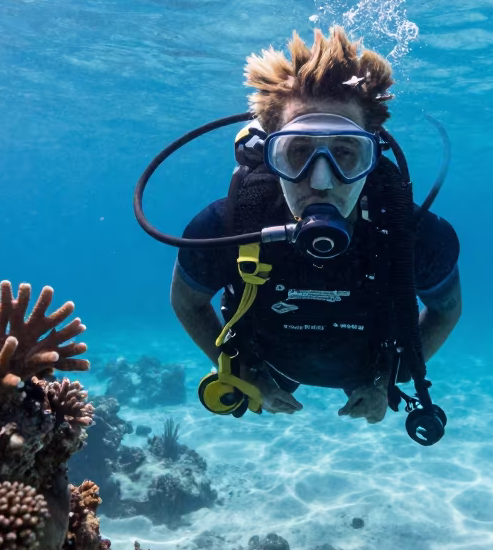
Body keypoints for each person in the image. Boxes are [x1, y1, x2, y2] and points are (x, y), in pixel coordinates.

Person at [169, 26, 462, 425]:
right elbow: (186, 301)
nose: (321, 182)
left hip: (367, 369)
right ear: (270, 151)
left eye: (346, 153)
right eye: (298, 153)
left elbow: (446, 309)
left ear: (372, 155)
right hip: (270, 366)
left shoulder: (413, 234)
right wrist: (246, 375)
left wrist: (387, 380)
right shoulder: (226, 226)